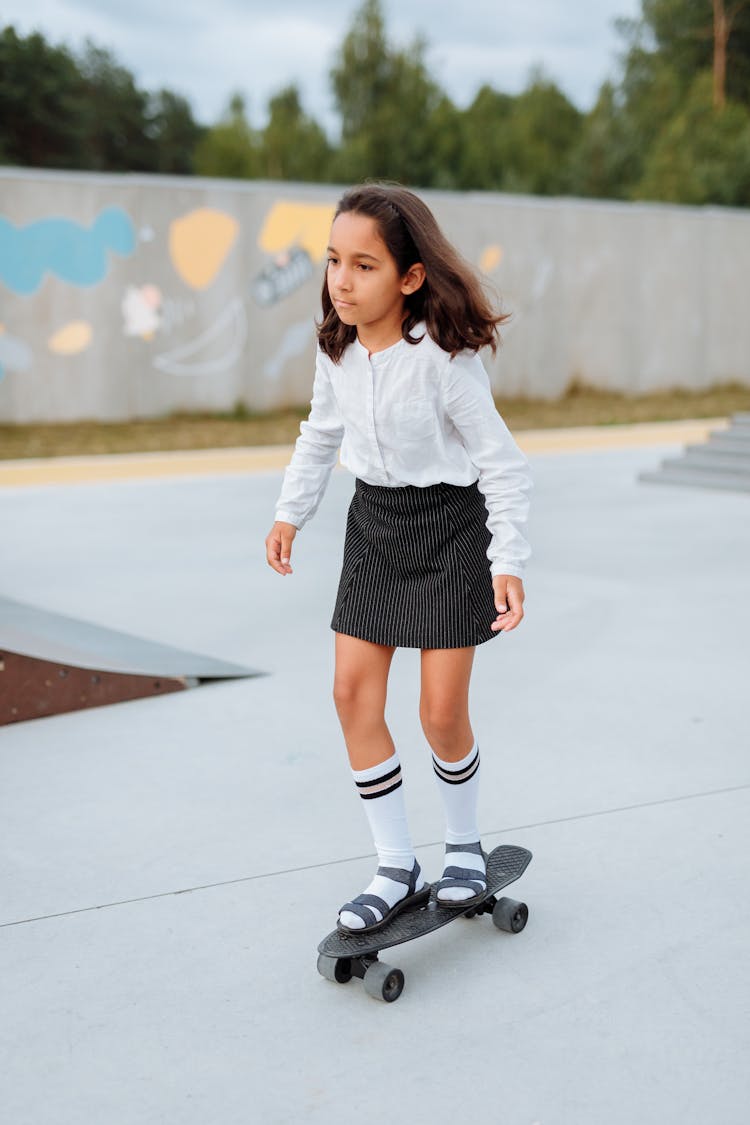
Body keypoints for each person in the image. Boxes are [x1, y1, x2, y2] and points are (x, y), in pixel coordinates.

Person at [265, 183, 531, 935]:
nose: (340, 282)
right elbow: (320, 433)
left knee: (441, 712)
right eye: (332, 261)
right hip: (374, 526)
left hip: (450, 530)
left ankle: (463, 846)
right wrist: (292, 512)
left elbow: (503, 464)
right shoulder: (337, 347)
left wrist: (506, 559)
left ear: (410, 277)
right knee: (352, 695)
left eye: (363, 265)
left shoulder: (445, 361)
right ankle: (394, 862)